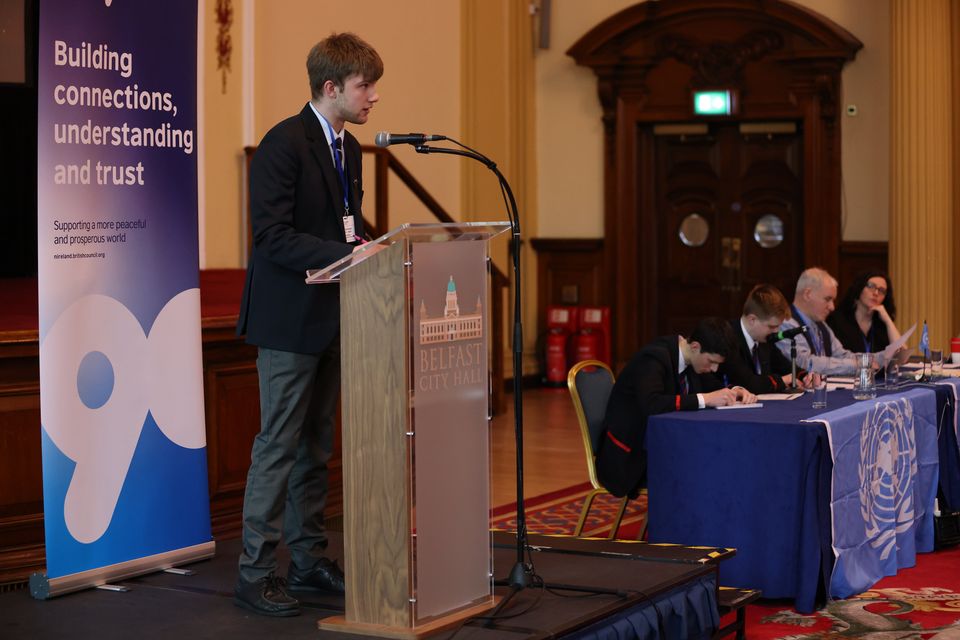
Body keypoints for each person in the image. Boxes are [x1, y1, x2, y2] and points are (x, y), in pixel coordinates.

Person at [234, 33, 383, 617]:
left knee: (316, 445)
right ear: (331, 88)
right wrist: (343, 254)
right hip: (288, 318)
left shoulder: (350, 149)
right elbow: (270, 236)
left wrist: (374, 245)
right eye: (364, 86)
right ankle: (253, 572)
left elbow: (345, 222)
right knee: (278, 445)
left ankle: (308, 560)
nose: (373, 97)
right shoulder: (283, 143)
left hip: (332, 315)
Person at [595, 317, 756, 499]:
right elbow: (652, 404)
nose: (714, 369)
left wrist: (733, 391)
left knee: (719, 459)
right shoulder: (653, 358)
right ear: (695, 346)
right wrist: (706, 398)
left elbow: (711, 386)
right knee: (709, 467)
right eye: (711, 361)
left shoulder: (690, 358)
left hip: (659, 446)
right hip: (628, 458)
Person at [776, 267, 878, 375]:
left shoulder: (821, 324)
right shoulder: (785, 323)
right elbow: (805, 363)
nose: (832, 307)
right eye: (827, 299)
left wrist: (879, 359)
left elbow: (841, 355)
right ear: (807, 294)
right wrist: (856, 364)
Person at [719, 284, 817, 393]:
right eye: (772, 327)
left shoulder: (764, 340)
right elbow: (748, 383)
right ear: (752, 320)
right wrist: (782, 380)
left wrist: (804, 376)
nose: (776, 331)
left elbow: (784, 366)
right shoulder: (728, 337)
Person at [827, 270, 900, 354]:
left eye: (881, 290)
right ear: (859, 287)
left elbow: (901, 354)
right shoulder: (838, 320)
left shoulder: (881, 323)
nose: (876, 293)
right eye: (871, 286)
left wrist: (888, 320)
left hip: (877, 367)